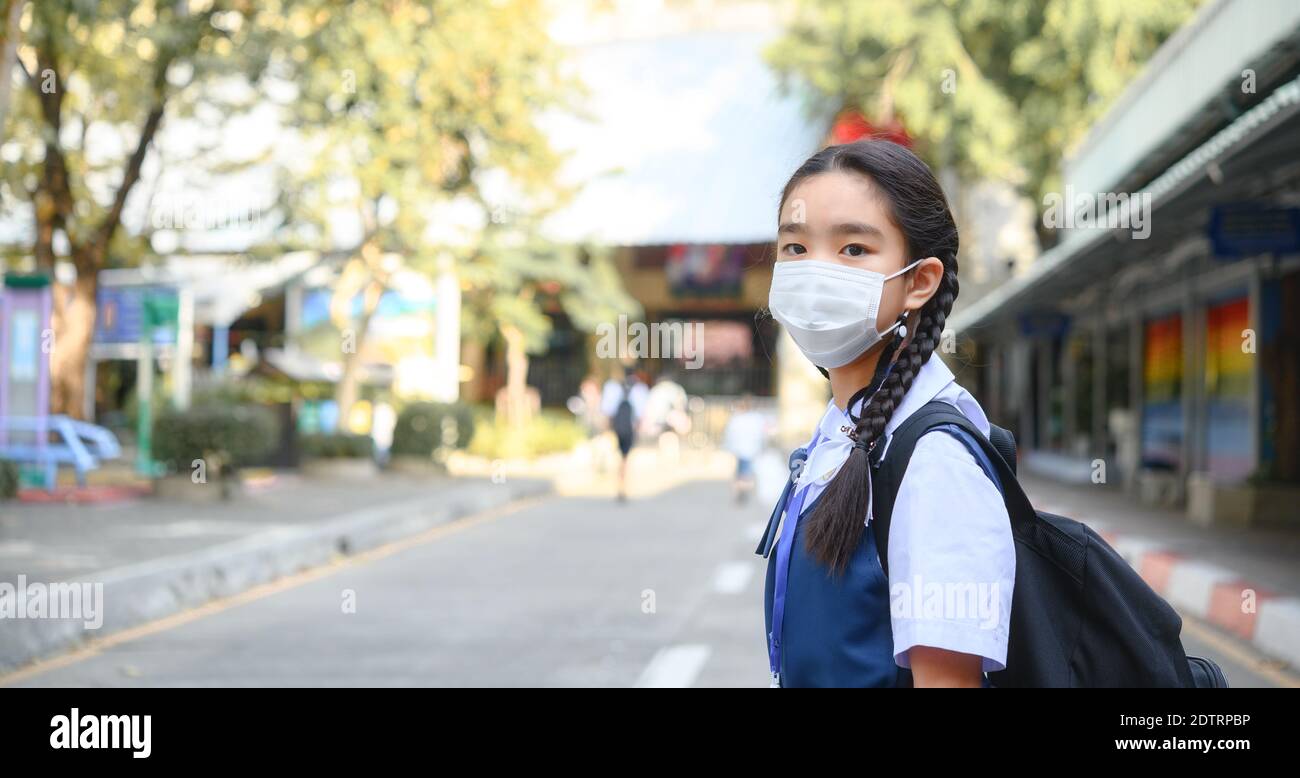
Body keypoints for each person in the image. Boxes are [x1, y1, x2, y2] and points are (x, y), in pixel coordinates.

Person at [758, 139, 1014, 688]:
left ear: (919, 281)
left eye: (853, 249)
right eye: (795, 248)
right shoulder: (840, 431)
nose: (815, 272)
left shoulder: (934, 463)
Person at [601, 368, 648, 502]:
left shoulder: (612, 388)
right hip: (628, 429)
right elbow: (641, 414)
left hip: (617, 428)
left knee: (619, 457)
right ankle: (623, 485)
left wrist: (607, 428)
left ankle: (620, 484)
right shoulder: (639, 390)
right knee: (625, 458)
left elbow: (607, 411)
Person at [721, 394, 768, 505]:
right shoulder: (756, 418)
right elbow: (761, 434)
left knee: (740, 473)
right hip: (750, 449)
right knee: (746, 473)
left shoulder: (737, 419)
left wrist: (728, 447)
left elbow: (729, 434)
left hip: (739, 449)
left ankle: (740, 492)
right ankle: (743, 492)